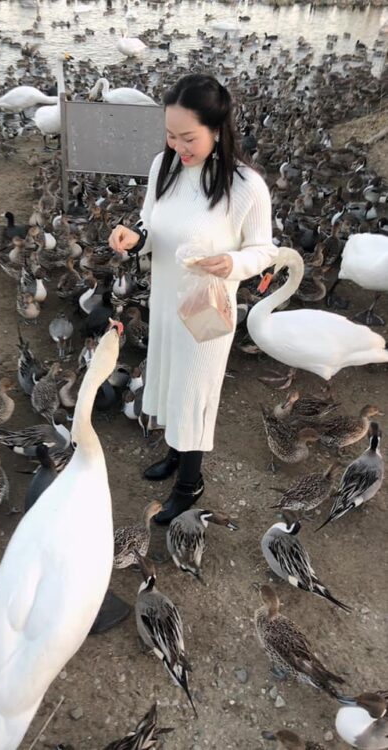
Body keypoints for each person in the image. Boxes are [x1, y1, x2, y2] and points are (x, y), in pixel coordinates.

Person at [109, 74, 278, 525]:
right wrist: (133, 237)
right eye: (170, 134)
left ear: (217, 130)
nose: (177, 146)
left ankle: (190, 481)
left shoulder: (246, 186)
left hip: (206, 310)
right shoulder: (162, 167)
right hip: (166, 298)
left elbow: (265, 250)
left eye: (189, 138)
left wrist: (234, 263)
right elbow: (150, 224)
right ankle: (174, 452)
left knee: (195, 391)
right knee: (166, 378)